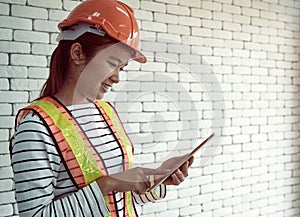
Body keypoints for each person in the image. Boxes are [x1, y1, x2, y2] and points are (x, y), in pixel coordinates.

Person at [10, 0, 194, 216]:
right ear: (77, 53)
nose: (116, 77)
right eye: (111, 63)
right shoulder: (36, 127)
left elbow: (119, 200)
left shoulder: (106, 113)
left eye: (122, 68)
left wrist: (157, 178)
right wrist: (108, 184)